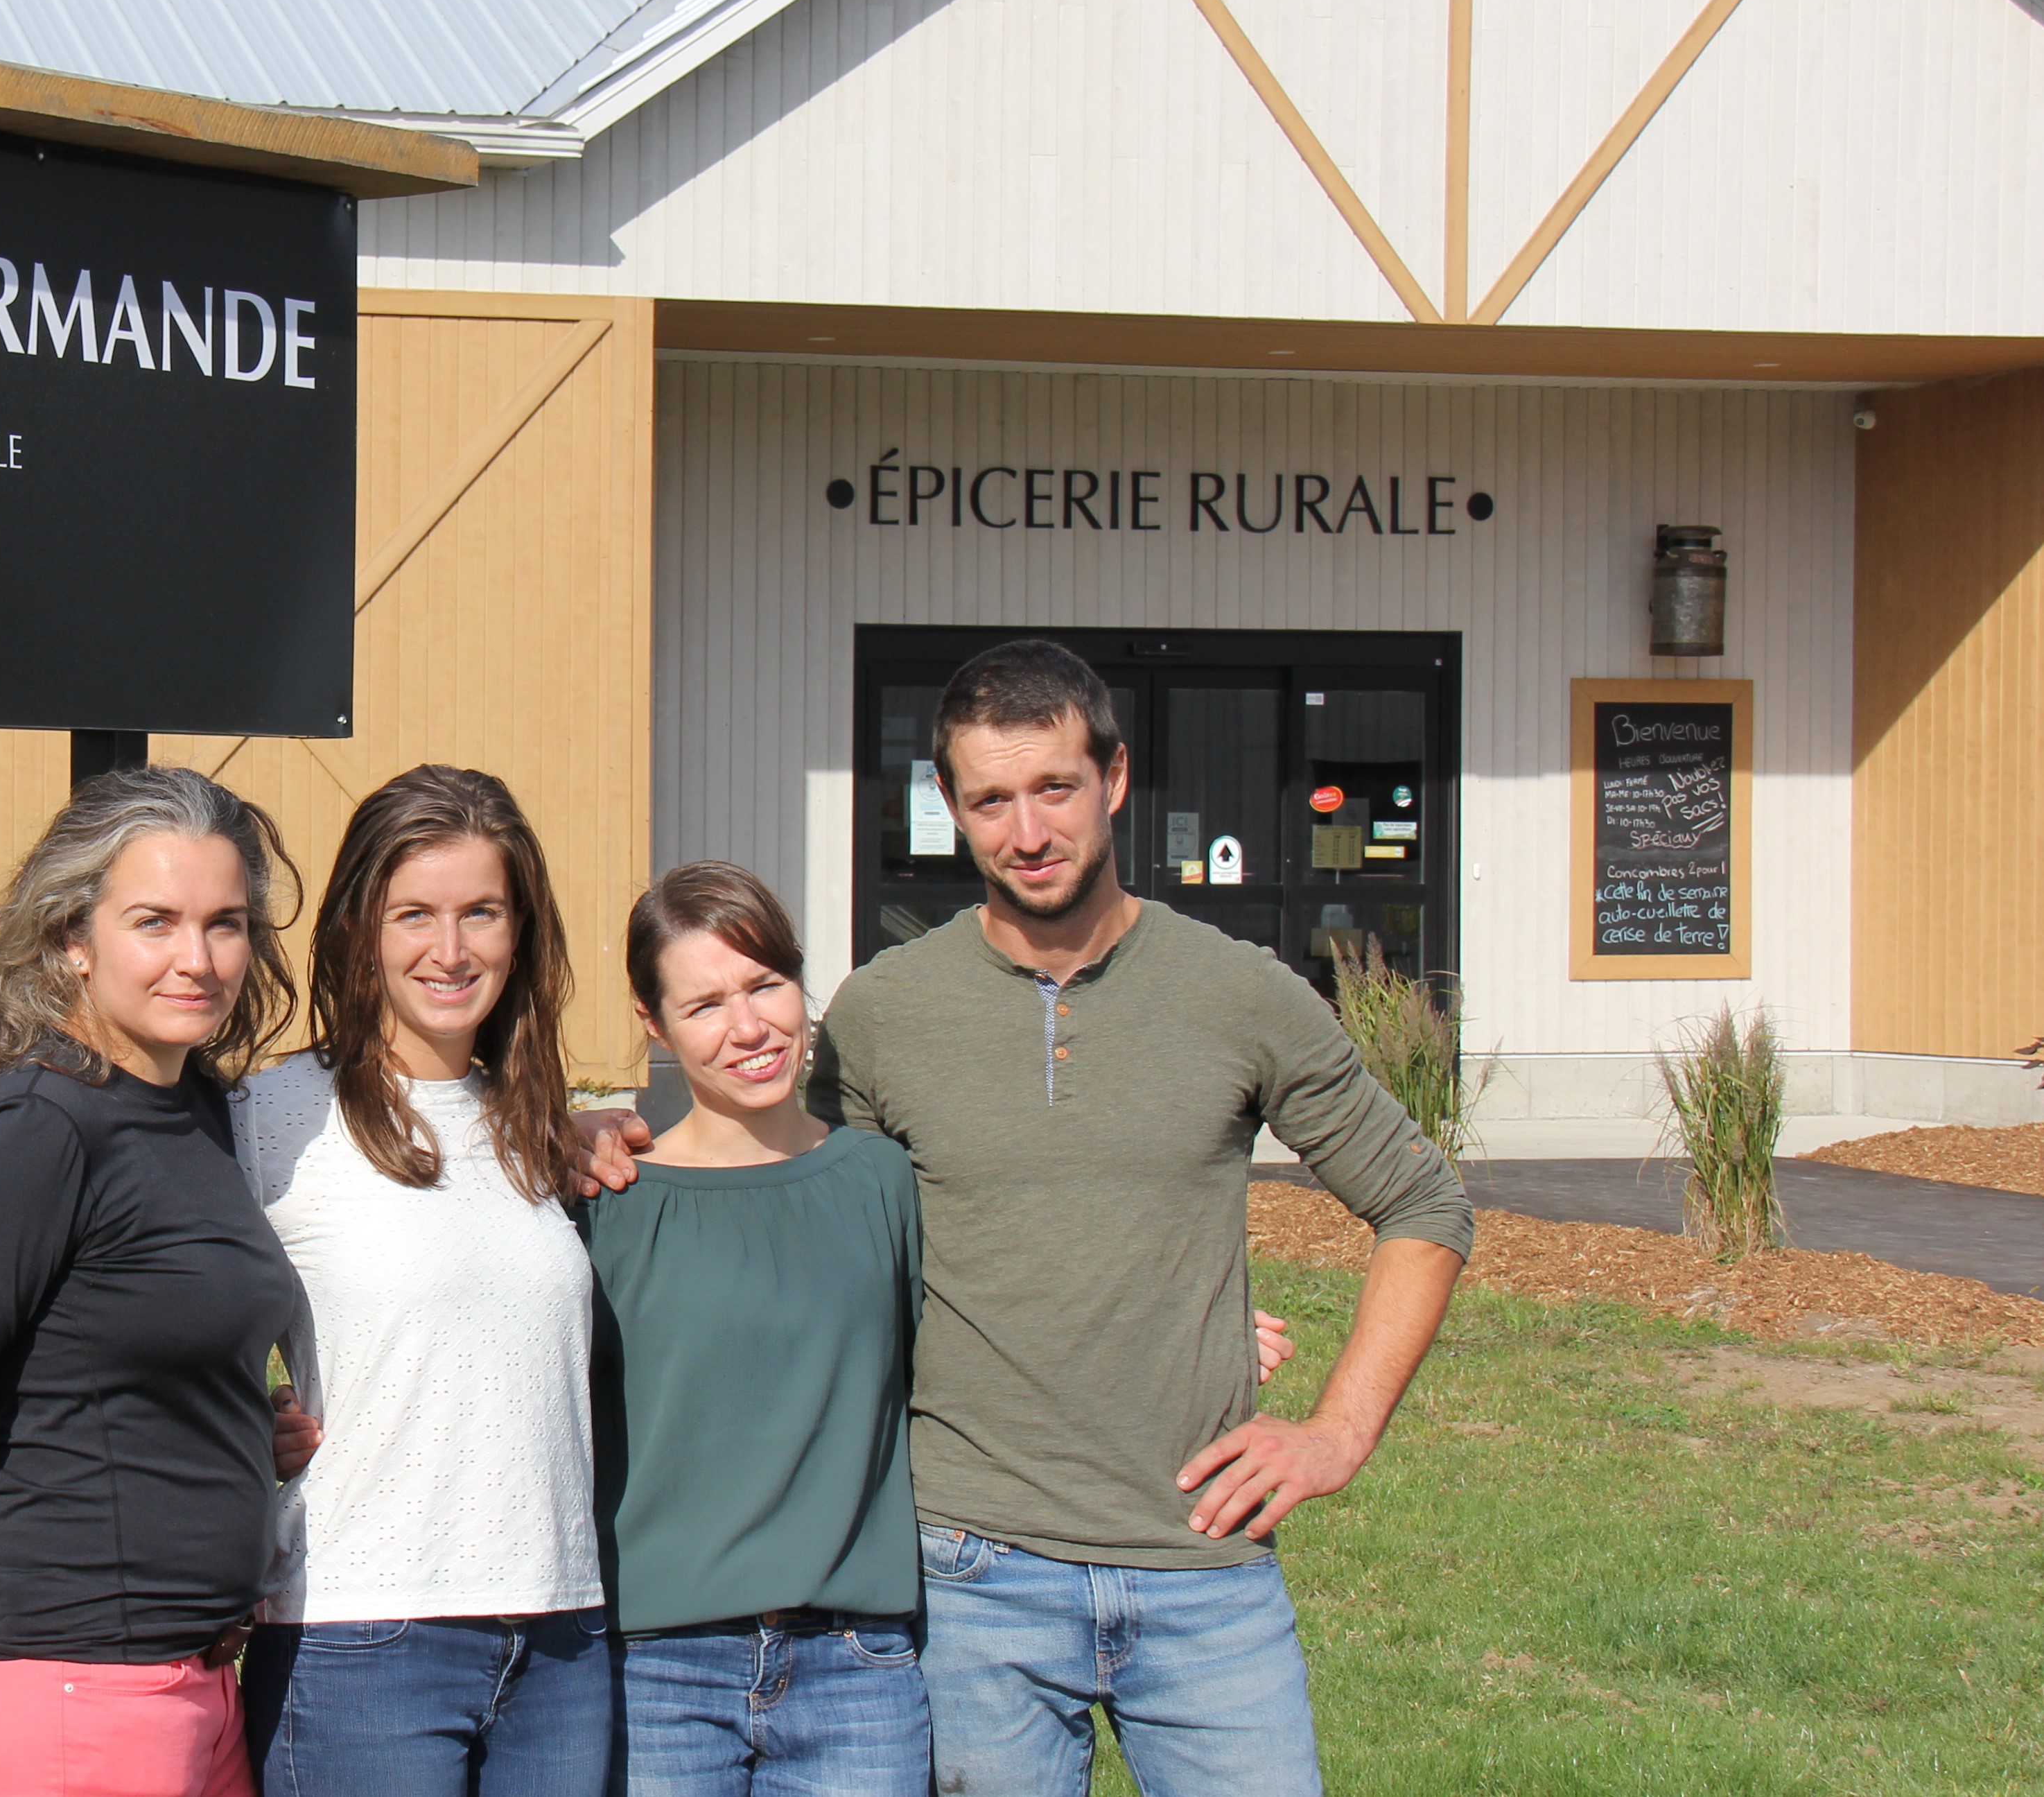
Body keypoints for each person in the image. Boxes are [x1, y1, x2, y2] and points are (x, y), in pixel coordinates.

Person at [807, 637, 1473, 1797]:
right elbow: (812, 1224)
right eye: (992, 801)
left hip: (1204, 1559)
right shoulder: (883, 1012)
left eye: (1055, 788)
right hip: (970, 1566)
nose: (1028, 831)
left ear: (1114, 779)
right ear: (952, 809)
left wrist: (1338, 1433)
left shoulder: (1241, 992)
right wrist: (612, 1141)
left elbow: (1423, 1201)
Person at [0, 767, 305, 1797]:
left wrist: (227, 1423)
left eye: (226, 925)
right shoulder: (39, 1126)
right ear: (71, 939)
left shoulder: (197, 1110)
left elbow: (107, 1352)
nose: (197, 959)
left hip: (195, 1694)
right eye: (155, 922)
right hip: (59, 1700)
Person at [232, 765, 611, 1797]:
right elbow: (150, 1315)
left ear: (520, 931)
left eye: (481, 912)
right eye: (415, 915)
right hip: (362, 1634)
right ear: (360, 929)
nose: (451, 950)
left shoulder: (538, 1127)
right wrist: (233, 1424)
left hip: (562, 1635)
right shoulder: (269, 1119)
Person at [584, 862, 927, 1797]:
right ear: (654, 1024)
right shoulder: (609, 1201)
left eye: (766, 985)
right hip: (658, 1672)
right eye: (704, 1005)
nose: (749, 1028)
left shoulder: (881, 1180)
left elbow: (973, 1356)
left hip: (857, 1667)